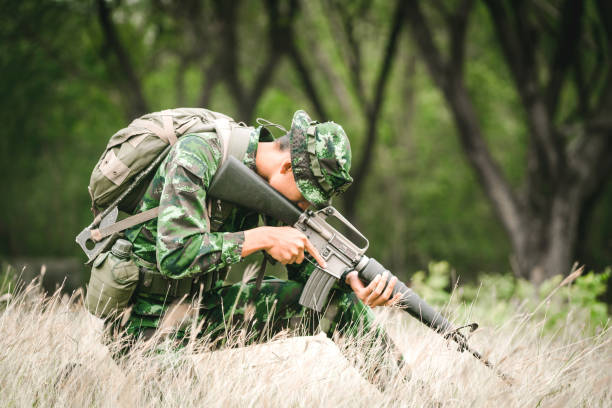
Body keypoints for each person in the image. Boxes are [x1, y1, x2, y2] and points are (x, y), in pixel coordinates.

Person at [120, 109, 407, 388]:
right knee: (185, 398)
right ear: (287, 167)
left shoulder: (272, 187)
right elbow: (175, 255)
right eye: (307, 198)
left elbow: (305, 273)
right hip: (143, 316)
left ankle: (411, 395)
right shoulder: (196, 153)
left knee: (335, 302)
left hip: (203, 306)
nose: (305, 208)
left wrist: (347, 280)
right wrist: (263, 237)